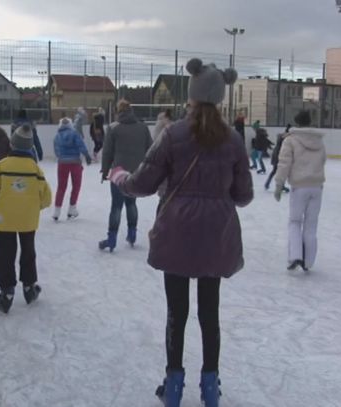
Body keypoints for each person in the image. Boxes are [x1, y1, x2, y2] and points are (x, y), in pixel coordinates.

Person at [108, 58, 252, 407]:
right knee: (209, 313)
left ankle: (173, 386)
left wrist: (119, 178)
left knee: (177, 312)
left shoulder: (173, 134)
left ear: (191, 94)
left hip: (177, 229)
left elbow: (143, 183)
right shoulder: (232, 139)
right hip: (216, 233)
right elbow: (244, 195)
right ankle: (209, 387)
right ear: (219, 97)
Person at [0, 124, 52, 313]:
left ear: (12, 145)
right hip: (28, 221)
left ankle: (6, 292)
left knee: (4, 254)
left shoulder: (1, 166)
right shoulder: (35, 170)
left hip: (3, 219)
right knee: (28, 252)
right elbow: (46, 198)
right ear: (30, 147)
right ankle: (29, 287)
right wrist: (32, 207)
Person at [274, 110, 326, 272]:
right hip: (317, 187)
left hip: (299, 187)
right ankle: (308, 262)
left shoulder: (291, 140)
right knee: (311, 225)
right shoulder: (319, 141)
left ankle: (295, 255)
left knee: (295, 222)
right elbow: (323, 160)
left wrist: (279, 184)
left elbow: (284, 163)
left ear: (296, 122)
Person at [99, 99, 152, 252]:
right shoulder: (143, 128)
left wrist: (104, 170)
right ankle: (132, 234)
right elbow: (150, 149)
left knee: (116, 206)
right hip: (136, 172)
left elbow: (107, 152)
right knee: (131, 203)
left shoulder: (114, 128)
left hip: (118, 173)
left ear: (118, 111)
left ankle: (111, 239)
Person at [53, 118, 92, 221]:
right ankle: (72, 208)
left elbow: (56, 150)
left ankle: (57, 211)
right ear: (70, 124)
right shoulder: (75, 133)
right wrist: (87, 155)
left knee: (61, 187)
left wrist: (61, 157)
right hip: (75, 163)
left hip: (62, 163)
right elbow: (80, 145)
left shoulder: (57, 136)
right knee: (76, 185)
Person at [265, 124, 292, 190]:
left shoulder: (282, 136)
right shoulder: (286, 138)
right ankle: (280, 186)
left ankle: (268, 183)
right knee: (282, 171)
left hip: (277, 154)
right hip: (280, 155)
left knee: (276, 170)